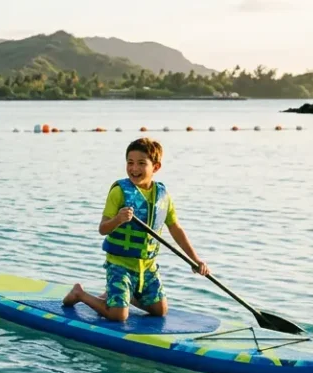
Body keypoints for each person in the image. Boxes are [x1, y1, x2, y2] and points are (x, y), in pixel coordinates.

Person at [62, 137, 210, 321]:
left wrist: (194, 260)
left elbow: (176, 229)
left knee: (160, 310)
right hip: (120, 264)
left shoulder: (163, 197)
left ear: (155, 167)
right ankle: (80, 294)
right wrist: (118, 219)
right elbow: (103, 229)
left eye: (141, 163)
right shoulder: (119, 193)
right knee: (119, 316)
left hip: (147, 267)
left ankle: (123, 295)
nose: (134, 168)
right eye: (130, 163)